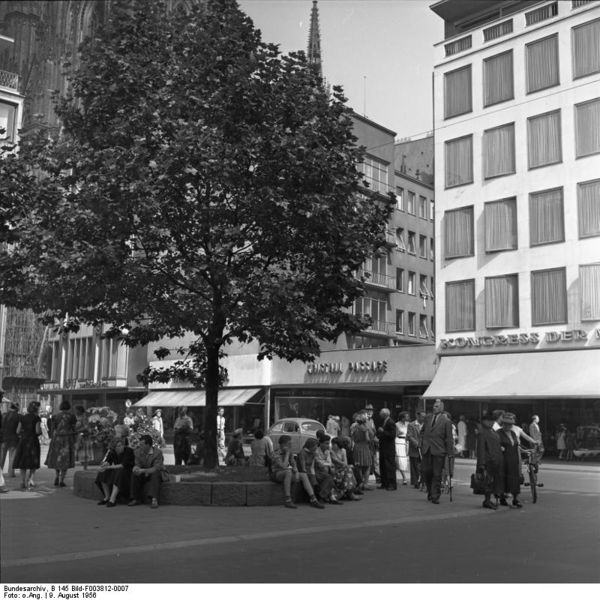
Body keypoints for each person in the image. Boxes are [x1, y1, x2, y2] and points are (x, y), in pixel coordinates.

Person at [270, 435, 323, 509]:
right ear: (283, 444)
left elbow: (293, 464)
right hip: (276, 474)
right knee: (288, 471)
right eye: (289, 444)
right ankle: (288, 499)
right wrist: (287, 454)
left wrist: (297, 472)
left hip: (287, 473)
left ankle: (313, 499)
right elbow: (284, 466)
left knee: (303, 475)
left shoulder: (290, 452)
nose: (291, 445)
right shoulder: (275, 453)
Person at [420, 399, 454, 504]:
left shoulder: (446, 421)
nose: (434, 408)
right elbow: (422, 431)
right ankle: (430, 491)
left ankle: (435, 495)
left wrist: (450, 452)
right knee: (426, 472)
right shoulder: (428, 418)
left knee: (437, 474)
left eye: (437, 406)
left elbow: (449, 438)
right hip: (427, 449)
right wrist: (422, 442)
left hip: (439, 450)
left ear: (442, 408)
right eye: (434, 406)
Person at [45, 400, 77, 487]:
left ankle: (56, 476)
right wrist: (74, 440)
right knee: (65, 459)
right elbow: (74, 429)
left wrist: (52, 439)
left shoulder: (55, 416)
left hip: (57, 439)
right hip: (67, 439)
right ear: (69, 407)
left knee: (57, 458)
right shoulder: (72, 416)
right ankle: (62, 480)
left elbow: (52, 429)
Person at [476, 411, 504, 510]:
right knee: (488, 481)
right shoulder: (482, 432)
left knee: (493, 481)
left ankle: (490, 499)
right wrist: (481, 464)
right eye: (489, 421)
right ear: (484, 421)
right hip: (488, 461)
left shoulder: (493, 431)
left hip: (496, 460)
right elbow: (481, 449)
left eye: (492, 421)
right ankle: (487, 500)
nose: (492, 422)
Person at [95, 438, 135, 507]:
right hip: (118, 471)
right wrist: (104, 465)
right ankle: (107, 497)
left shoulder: (128, 451)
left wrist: (108, 467)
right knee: (103, 472)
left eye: (121, 445)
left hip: (127, 473)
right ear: (115, 448)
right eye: (118, 446)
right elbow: (108, 462)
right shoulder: (112, 452)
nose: (121, 447)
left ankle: (112, 499)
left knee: (119, 472)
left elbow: (122, 465)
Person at [129, 434, 164, 509]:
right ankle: (135, 498)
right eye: (140, 444)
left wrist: (143, 470)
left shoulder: (158, 453)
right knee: (134, 474)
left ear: (148, 445)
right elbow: (137, 463)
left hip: (154, 472)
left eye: (142, 444)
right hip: (143, 473)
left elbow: (156, 468)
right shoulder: (137, 452)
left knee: (156, 474)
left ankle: (154, 499)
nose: (140, 446)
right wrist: (136, 468)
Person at [13, 401, 42, 489]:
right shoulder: (36, 418)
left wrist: (24, 433)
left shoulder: (23, 417)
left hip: (23, 441)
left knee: (23, 461)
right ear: (36, 409)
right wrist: (40, 431)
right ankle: (30, 480)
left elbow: (17, 431)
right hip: (33, 441)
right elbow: (37, 431)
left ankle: (22, 481)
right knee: (34, 460)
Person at [497, 412, 523, 508]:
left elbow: (517, 446)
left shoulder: (513, 433)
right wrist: (499, 447)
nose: (508, 426)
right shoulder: (498, 433)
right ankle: (502, 497)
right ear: (502, 424)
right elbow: (495, 445)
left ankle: (515, 499)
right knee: (504, 479)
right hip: (503, 459)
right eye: (506, 424)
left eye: (510, 424)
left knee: (515, 479)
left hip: (514, 459)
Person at [376, 408, 397, 491]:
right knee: (383, 465)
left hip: (389, 448)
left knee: (389, 466)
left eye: (381, 413)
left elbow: (392, 435)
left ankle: (392, 484)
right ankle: (384, 483)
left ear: (385, 414)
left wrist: (383, 431)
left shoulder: (391, 422)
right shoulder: (384, 421)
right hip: (383, 447)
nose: (380, 415)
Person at [351, 412, 373, 492]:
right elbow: (367, 439)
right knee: (367, 465)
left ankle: (359, 483)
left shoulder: (354, 427)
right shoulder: (365, 428)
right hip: (364, 446)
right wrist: (370, 440)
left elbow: (352, 438)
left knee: (358, 466)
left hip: (356, 447)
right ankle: (365, 484)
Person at [1, 401, 20, 478]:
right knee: (12, 456)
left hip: (3, 438)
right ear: (17, 408)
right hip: (14, 438)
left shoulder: (3, 415)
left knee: (2, 456)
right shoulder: (18, 416)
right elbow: (18, 430)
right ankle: (11, 473)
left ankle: (0, 473)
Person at [407, 411, 425, 488]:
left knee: (423, 466)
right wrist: (417, 444)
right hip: (415, 448)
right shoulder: (411, 425)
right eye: (423, 417)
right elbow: (409, 436)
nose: (424, 418)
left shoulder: (426, 425)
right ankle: (415, 482)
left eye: (425, 417)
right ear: (418, 416)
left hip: (424, 448)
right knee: (414, 466)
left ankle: (422, 480)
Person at [394, 411, 410, 485]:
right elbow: (395, 434)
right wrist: (398, 433)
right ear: (402, 417)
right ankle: (404, 477)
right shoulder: (396, 424)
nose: (408, 417)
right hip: (399, 442)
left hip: (406, 441)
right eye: (406, 416)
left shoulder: (408, 424)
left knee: (405, 459)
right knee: (400, 459)